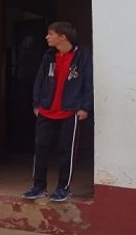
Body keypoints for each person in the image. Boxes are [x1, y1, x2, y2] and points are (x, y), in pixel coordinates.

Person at [22, 21, 93, 202]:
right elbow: (40, 80)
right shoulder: (49, 55)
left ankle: (63, 188)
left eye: (50, 34)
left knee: (66, 150)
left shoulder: (82, 55)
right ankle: (39, 186)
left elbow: (88, 80)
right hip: (46, 110)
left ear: (62, 37)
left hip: (70, 111)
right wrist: (37, 104)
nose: (47, 37)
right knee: (41, 149)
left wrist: (85, 107)